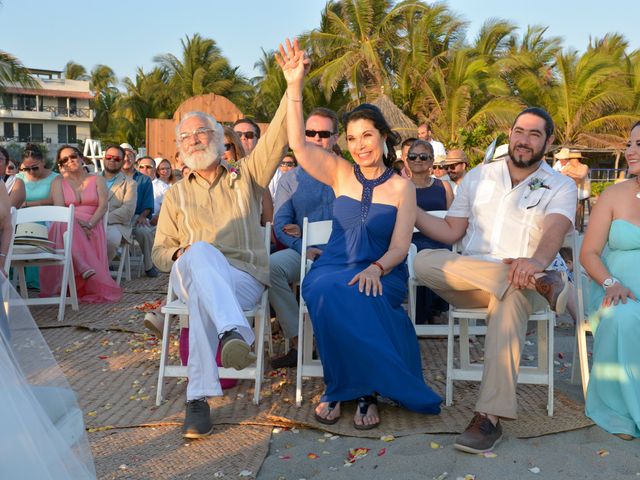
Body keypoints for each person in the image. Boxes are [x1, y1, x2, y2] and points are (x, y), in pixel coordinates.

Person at [277, 38, 441, 429]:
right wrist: (294, 86)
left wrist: (376, 269)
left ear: (383, 136)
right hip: (334, 262)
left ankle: (360, 391)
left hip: (384, 269)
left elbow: (402, 246)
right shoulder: (339, 172)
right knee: (324, 288)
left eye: (366, 135)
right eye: (351, 139)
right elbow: (298, 145)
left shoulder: (402, 187)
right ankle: (342, 387)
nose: (359, 145)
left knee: (361, 292)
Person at [413, 106, 576, 453]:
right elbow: (450, 230)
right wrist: (409, 208)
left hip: (527, 279)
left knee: (512, 294)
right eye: (519, 131)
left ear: (547, 141)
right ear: (510, 134)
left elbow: (554, 231)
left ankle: (489, 418)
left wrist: (534, 262)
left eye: (534, 134)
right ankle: (539, 281)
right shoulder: (478, 176)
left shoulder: (560, 185)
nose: (524, 140)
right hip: (476, 279)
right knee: (424, 261)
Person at [151, 69, 290, 439]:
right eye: (185, 137)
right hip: (190, 269)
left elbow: (277, 137)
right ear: (179, 149)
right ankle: (234, 331)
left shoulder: (246, 177)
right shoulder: (176, 195)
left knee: (202, 293)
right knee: (198, 254)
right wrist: (181, 253)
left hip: (243, 277)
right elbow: (160, 253)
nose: (193, 141)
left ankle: (197, 402)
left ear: (219, 138)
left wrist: (293, 85)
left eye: (201, 133)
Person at [580, 121, 640, 441]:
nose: (630, 151)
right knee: (623, 316)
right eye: (629, 144)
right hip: (614, 290)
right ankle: (622, 411)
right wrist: (610, 283)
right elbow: (588, 253)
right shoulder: (613, 195)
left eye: (639, 144)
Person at [268, 107, 338, 369]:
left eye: (323, 133)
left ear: (335, 138)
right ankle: (300, 343)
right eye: (310, 132)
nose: (316, 138)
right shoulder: (290, 179)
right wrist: (304, 244)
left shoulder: (350, 174)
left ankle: (338, 346)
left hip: (341, 253)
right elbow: (282, 225)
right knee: (271, 267)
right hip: (303, 251)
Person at [40, 146, 122, 303]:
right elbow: (59, 209)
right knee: (63, 221)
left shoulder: (97, 179)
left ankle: (82, 267)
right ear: (61, 165)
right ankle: (82, 265)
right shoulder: (58, 183)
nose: (70, 161)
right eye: (64, 160)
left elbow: (103, 206)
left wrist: (89, 225)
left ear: (81, 157)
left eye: (73, 156)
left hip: (92, 224)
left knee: (64, 224)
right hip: (68, 224)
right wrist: (78, 224)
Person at [406, 140, 453, 324]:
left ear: (432, 160)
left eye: (423, 156)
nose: (418, 160)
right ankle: (424, 314)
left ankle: (435, 311)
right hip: (412, 242)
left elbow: (452, 219)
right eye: (413, 156)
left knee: (446, 251)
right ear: (407, 160)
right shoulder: (400, 187)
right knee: (419, 252)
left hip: (440, 239)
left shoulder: (444, 187)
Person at [17, 144, 59, 289]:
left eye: (35, 167)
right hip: (20, 216)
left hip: (46, 217)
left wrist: (28, 204)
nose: (31, 171)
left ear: (43, 162)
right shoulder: (18, 178)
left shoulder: (55, 178)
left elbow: (54, 199)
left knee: (36, 225)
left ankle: (34, 280)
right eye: (27, 168)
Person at [120, 143, 158, 277]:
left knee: (144, 232)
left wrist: (142, 216)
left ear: (135, 158)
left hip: (136, 216)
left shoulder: (144, 180)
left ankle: (149, 265)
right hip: (117, 217)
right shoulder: (112, 177)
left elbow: (148, 204)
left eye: (130, 155)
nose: (126, 158)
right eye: (123, 155)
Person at [100, 145, 138, 265]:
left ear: (122, 162)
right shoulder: (91, 178)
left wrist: (104, 219)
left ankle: (101, 271)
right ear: (103, 158)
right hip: (90, 221)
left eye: (116, 159)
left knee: (110, 239)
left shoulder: (130, 183)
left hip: (116, 224)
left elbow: (127, 211)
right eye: (109, 157)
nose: (112, 160)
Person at [150, 158, 174, 227]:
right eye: (162, 169)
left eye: (168, 168)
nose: (166, 171)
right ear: (157, 170)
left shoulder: (175, 183)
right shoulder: (154, 184)